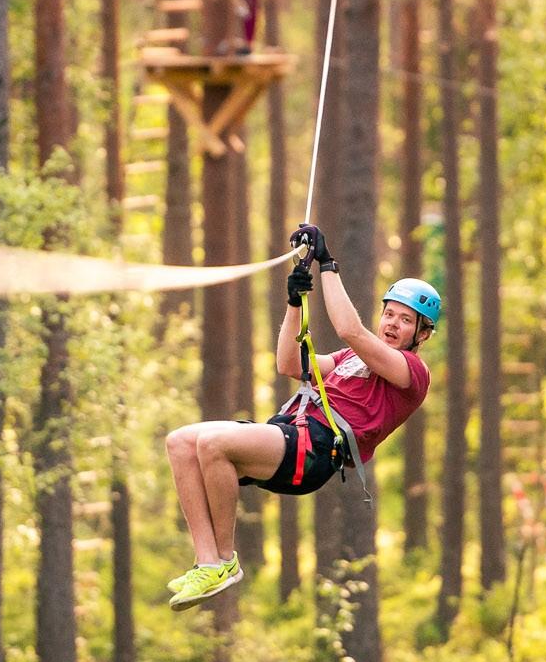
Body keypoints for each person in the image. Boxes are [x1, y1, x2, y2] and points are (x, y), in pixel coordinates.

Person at [163, 223, 440, 609]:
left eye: (405, 320)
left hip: (315, 452)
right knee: (179, 442)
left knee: (212, 443)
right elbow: (290, 363)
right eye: (389, 314)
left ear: (422, 334)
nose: (392, 324)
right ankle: (207, 561)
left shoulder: (412, 374)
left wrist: (327, 264)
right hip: (290, 434)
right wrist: (294, 303)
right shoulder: (349, 360)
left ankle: (225, 562)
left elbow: (349, 329)